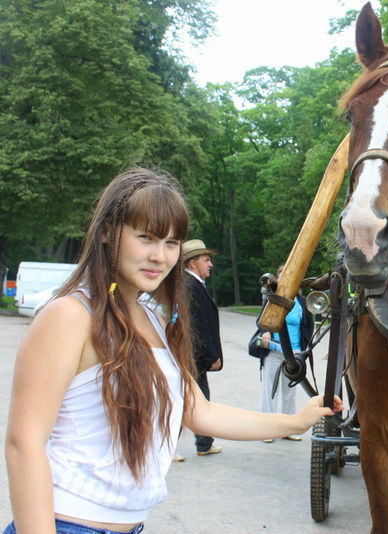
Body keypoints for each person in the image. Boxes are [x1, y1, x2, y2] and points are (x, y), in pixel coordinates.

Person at [3, 168, 342, 534]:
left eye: (170, 242)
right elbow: (25, 444)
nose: (160, 256)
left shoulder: (154, 320)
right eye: (145, 237)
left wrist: (297, 420)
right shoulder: (70, 315)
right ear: (106, 232)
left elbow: (201, 413)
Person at [257, 265, 314, 442]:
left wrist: (305, 349)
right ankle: (267, 430)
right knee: (270, 391)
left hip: (294, 352)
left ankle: (287, 429)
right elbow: (261, 321)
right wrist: (264, 331)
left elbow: (308, 326)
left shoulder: (303, 302)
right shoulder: (271, 299)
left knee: (289, 391)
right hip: (274, 350)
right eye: (282, 277)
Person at [182, 239, 223, 457]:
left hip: (192, 357)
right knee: (187, 399)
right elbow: (198, 325)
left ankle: (204, 443)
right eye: (206, 260)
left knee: (196, 398)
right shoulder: (190, 286)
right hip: (193, 357)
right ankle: (167, 447)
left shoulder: (193, 284)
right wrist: (212, 355)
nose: (210, 265)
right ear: (192, 263)